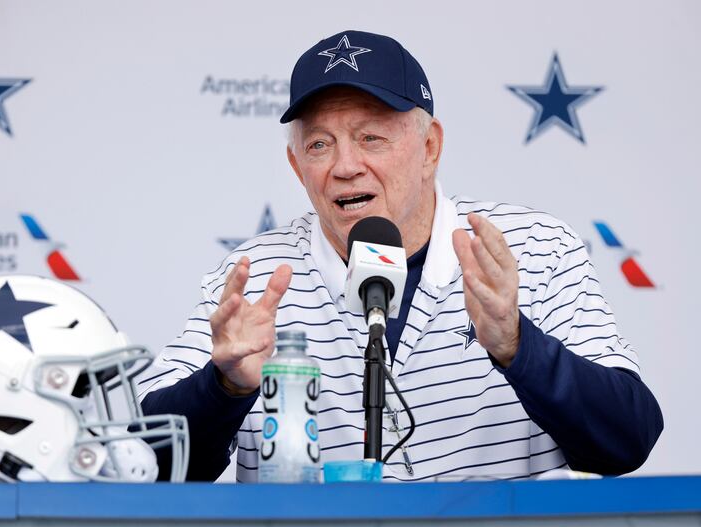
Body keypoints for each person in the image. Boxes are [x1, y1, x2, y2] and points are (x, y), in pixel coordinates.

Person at [137, 30, 663, 482]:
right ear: (296, 166)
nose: (345, 166)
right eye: (320, 145)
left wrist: (518, 347)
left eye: (371, 137)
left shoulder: (534, 247)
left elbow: (627, 441)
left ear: (430, 147)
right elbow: (143, 460)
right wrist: (223, 386)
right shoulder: (256, 277)